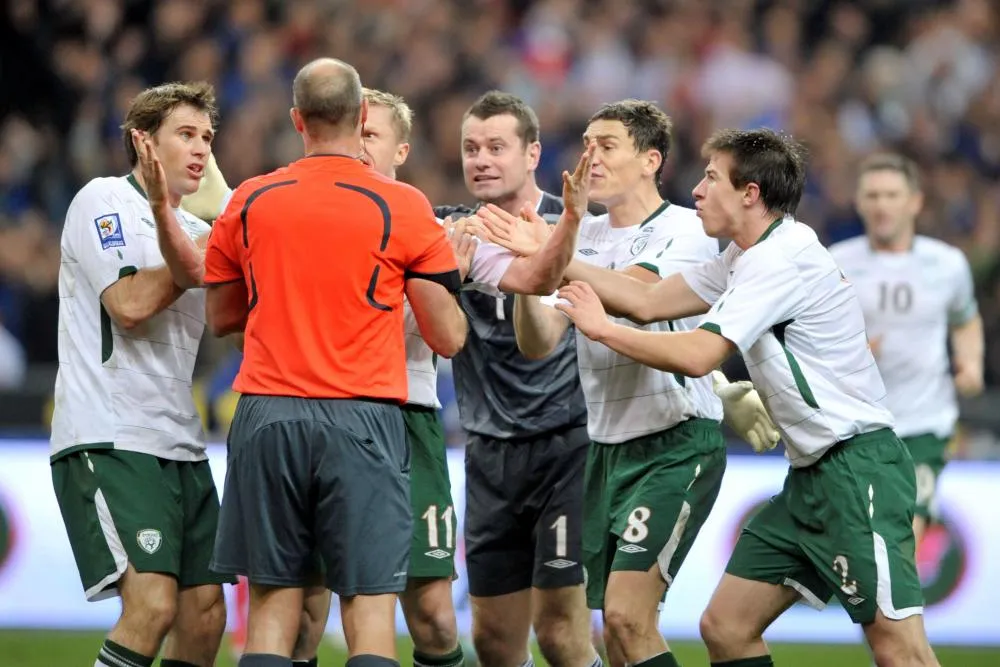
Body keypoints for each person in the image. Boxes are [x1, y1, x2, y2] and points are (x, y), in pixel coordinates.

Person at [548, 128, 939, 667]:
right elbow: (648, 298)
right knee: (727, 628)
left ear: (750, 193)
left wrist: (601, 329)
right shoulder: (744, 255)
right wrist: (549, 250)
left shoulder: (778, 260)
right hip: (811, 477)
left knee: (901, 649)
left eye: (711, 177)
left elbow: (697, 355)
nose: (698, 190)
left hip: (857, 469)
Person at [476, 100, 778, 667]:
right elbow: (539, 339)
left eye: (607, 144)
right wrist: (528, 277)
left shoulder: (687, 228)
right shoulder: (581, 236)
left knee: (624, 616)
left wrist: (546, 252)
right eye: (586, 143)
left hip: (675, 444)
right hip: (606, 451)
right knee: (619, 636)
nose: (590, 156)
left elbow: (637, 298)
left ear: (650, 160)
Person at [202, 58, 467, 667]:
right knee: (368, 608)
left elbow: (221, 317)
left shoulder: (250, 199)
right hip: (363, 418)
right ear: (360, 117)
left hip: (267, 414)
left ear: (297, 119)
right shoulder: (402, 206)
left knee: (272, 609)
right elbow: (447, 336)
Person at [49, 81, 229, 667]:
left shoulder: (203, 236)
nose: (201, 148)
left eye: (206, 137)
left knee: (205, 615)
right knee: (151, 606)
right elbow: (127, 305)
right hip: (110, 432)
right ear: (142, 142)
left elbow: (235, 322)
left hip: (180, 441)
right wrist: (194, 260)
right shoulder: (103, 200)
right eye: (185, 134)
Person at [434, 91, 600, 667]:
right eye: (471, 148)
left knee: (559, 633)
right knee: (495, 642)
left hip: (566, 446)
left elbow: (550, 339)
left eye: (496, 147)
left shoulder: (573, 227)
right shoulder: (445, 234)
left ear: (532, 154)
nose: (480, 159)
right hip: (488, 452)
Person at [830, 153, 984, 548]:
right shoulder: (835, 263)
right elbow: (811, 340)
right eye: (873, 195)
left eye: (892, 195)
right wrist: (849, 353)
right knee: (860, 549)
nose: (882, 205)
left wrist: (971, 362)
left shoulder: (947, 264)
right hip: (856, 427)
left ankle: (899, 610)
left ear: (914, 202)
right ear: (859, 202)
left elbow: (965, 319)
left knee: (903, 543)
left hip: (923, 425)